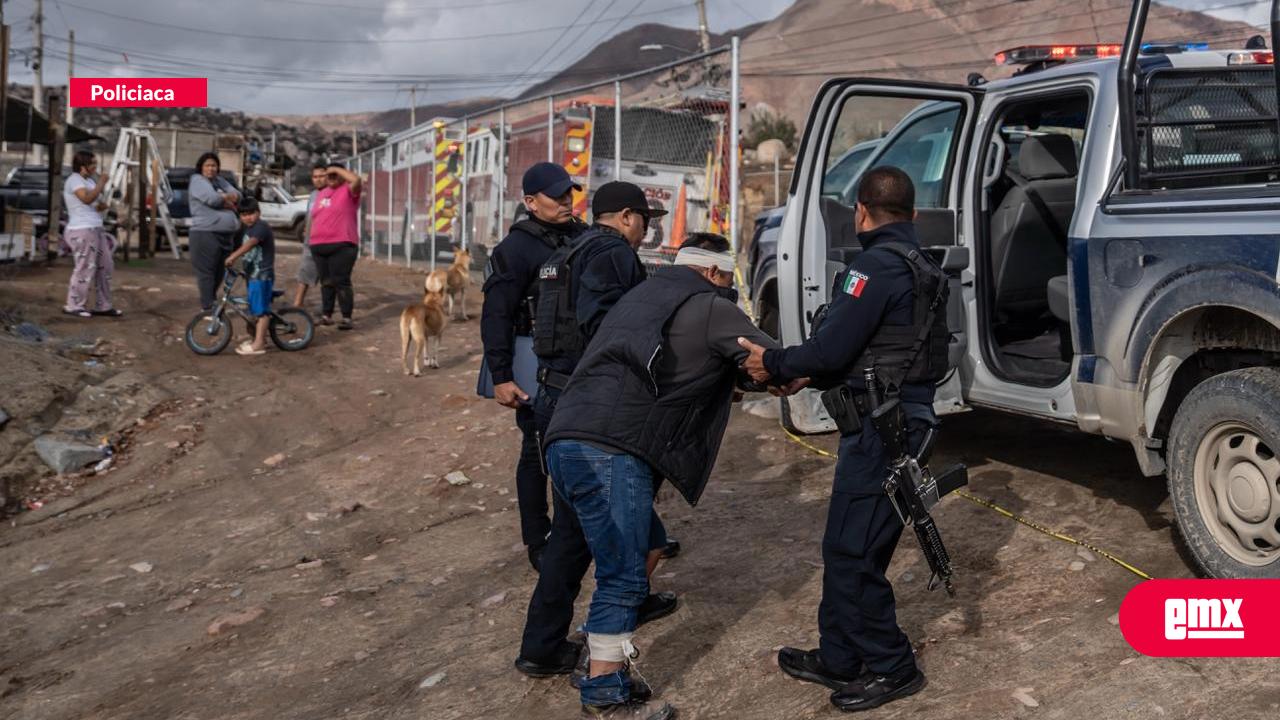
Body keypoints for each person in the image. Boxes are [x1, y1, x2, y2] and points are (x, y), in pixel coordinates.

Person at [542, 234, 798, 719]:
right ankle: (605, 695)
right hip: (611, 450)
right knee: (622, 577)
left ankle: (606, 653)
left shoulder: (640, 297)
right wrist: (795, 372)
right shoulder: (709, 304)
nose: (729, 292)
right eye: (727, 281)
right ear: (715, 274)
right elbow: (772, 362)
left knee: (647, 547)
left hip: (565, 439)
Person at [738, 167, 950, 712]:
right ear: (912, 215)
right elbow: (874, 348)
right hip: (894, 420)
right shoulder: (920, 262)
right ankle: (839, 656)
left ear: (862, 212)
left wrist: (776, 362)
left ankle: (892, 666)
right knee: (849, 546)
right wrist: (810, 370)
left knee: (852, 553)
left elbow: (831, 350)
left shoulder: (872, 267)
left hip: (884, 429)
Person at [515, 182, 678, 680]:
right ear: (627, 217)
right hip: (584, 403)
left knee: (582, 525)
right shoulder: (611, 253)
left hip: (555, 394)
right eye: (645, 220)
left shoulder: (568, 252)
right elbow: (611, 325)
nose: (645, 230)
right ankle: (561, 649)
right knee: (582, 531)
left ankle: (547, 644)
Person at [480, 162, 587, 571]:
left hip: (578, 359)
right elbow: (497, 317)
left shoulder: (581, 235)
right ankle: (538, 537)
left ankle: (579, 528)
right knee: (536, 449)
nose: (565, 201)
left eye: (568, 194)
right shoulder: (515, 250)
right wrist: (502, 377)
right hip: (533, 361)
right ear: (530, 202)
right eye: (556, 196)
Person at [61, 150, 121, 319]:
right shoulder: (74, 180)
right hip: (82, 229)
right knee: (85, 267)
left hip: (95, 228)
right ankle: (74, 305)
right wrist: (101, 183)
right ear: (83, 166)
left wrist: (103, 205)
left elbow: (93, 204)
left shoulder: (88, 181)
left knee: (105, 265)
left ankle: (103, 305)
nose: (96, 167)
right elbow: (86, 199)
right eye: (92, 164)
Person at [309, 162, 363, 329]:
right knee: (326, 282)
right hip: (318, 245)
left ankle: (346, 317)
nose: (331, 177)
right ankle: (327, 315)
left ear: (342, 175)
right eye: (329, 175)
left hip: (342, 244)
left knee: (341, 281)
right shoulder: (321, 193)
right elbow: (315, 217)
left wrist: (336, 169)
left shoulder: (348, 190)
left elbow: (357, 180)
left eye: (334, 175)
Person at [222, 197, 276, 356]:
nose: (248, 217)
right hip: (252, 274)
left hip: (262, 274)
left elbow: (251, 243)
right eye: (244, 214)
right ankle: (257, 338)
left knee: (261, 311)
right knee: (254, 307)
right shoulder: (246, 228)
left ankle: (259, 344)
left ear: (258, 213)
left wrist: (233, 256)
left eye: (251, 213)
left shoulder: (261, 227)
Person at [188, 152, 241, 311]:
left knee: (220, 271)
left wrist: (225, 197)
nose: (211, 169)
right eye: (207, 165)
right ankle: (207, 306)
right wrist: (225, 199)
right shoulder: (197, 181)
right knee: (207, 272)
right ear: (201, 167)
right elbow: (213, 200)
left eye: (214, 165)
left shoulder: (219, 181)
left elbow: (238, 195)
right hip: (205, 233)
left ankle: (211, 302)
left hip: (225, 234)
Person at [292, 164, 328, 308]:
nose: (318, 180)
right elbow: (310, 215)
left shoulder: (333, 193)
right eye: (315, 177)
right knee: (305, 272)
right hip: (310, 241)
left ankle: (328, 309)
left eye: (321, 176)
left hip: (326, 241)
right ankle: (298, 303)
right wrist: (306, 229)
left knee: (328, 278)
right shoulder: (313, 195)